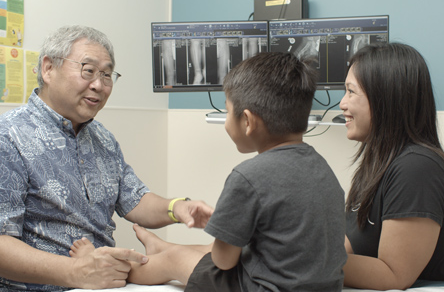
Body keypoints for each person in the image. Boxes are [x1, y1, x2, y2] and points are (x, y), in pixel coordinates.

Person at [72, 51, 348, 291]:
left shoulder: (248, 176)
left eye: (228, 113)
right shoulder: (322, 168)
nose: (227, 122)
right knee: (220, 250)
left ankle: (110, 261)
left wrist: (226, 233)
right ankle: (162, 248)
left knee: (176, 262)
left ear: (248, 121)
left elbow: (223, 260)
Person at [0, 25, 213, 291]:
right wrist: (74, 272)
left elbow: (134, 200)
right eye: (88, 71)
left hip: (105, 282)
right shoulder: (8, 136)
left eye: (107, 75)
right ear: (48, 69)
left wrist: (177, 208)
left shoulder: (102, 138)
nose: (99, 85)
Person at [340, 42, 444, 290]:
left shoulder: (417, 168)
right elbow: (348, 244)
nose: (342, 104)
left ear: (384, 98)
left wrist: (303, 261)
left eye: (351, 92)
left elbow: (394, 276)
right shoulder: (378, 160)